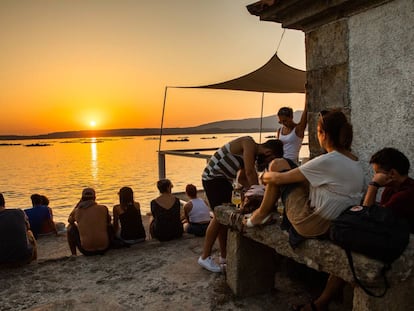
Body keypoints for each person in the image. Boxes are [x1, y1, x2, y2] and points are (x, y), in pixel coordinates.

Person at [300, 148, 414, 311]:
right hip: (389, 235)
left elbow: (365, 217)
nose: (374, 177)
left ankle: (321, 303)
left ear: (392, 173)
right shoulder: (393, 189)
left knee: (349, 251)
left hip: (398, 243)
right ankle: (322, 302)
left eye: (377, 173)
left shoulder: (404, 196)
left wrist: (373, 186)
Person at [198, 137, 284, 273]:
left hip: (223, 180)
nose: (267, 163)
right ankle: (205, 256)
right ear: (269, 152)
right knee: (218, 216)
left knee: (223, 219)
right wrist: (259, 191)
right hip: (213, 178)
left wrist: (251, 191)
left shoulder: (252, 155)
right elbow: (250, 172)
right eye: (270, 160)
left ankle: (224, 257)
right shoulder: (248, 143)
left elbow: (243, 178)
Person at [67, 188, 112, 256]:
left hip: (87, 251)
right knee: (109, 224)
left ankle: (74, 254)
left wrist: (77, 206)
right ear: (94, 198)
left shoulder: (77, 211)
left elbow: (70, 221)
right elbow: (108, 221)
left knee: (70, 228)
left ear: (82, 199)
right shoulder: (103, 208)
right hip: (105, 248)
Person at [0, 193, 37, 267]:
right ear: (4, 202)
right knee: (29, 233)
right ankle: (35, 260)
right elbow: (28, 227)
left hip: (1, 262)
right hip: (24, 258)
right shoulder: (19, 212)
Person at [276, 97, 308, 164]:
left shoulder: (298, 129)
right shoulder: (280, 131)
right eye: (280, 122)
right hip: (280, 161)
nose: (283, 124)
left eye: (285, 121)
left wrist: (307, 95)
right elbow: (277, 149)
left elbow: (305, 111)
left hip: (291, 163)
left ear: (291, 117)